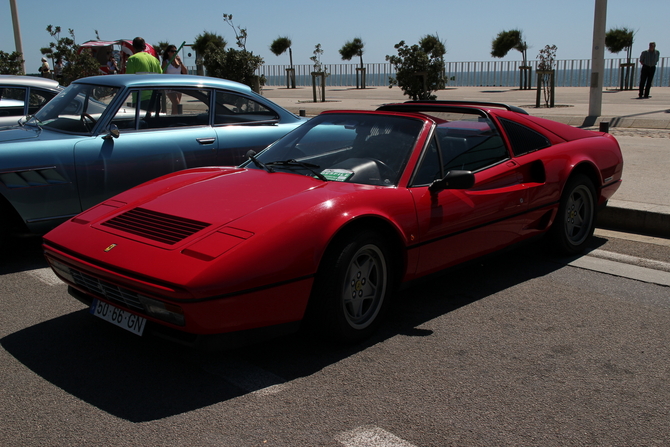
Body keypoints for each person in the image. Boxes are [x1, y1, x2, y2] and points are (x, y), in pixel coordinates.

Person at [125, 37, 161, 111]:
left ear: (133, 47)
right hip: (155, 98)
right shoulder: (154, 59)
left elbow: (128, 78)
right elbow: (160, 75)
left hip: (140, 98)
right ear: (144, 47)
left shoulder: (132, 59)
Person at [161, 45, 187, 114]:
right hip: (170, 86)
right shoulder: (166, 62)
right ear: (168, 52)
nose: (174, 53)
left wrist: (180, 62)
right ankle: (177, 118)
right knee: (177, 104)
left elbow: (185, 72)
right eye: (172, 51)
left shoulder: (178, 61)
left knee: (175, 106)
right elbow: (163, 74)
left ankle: (172, 119)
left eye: (175, 51)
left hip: (178, 85)